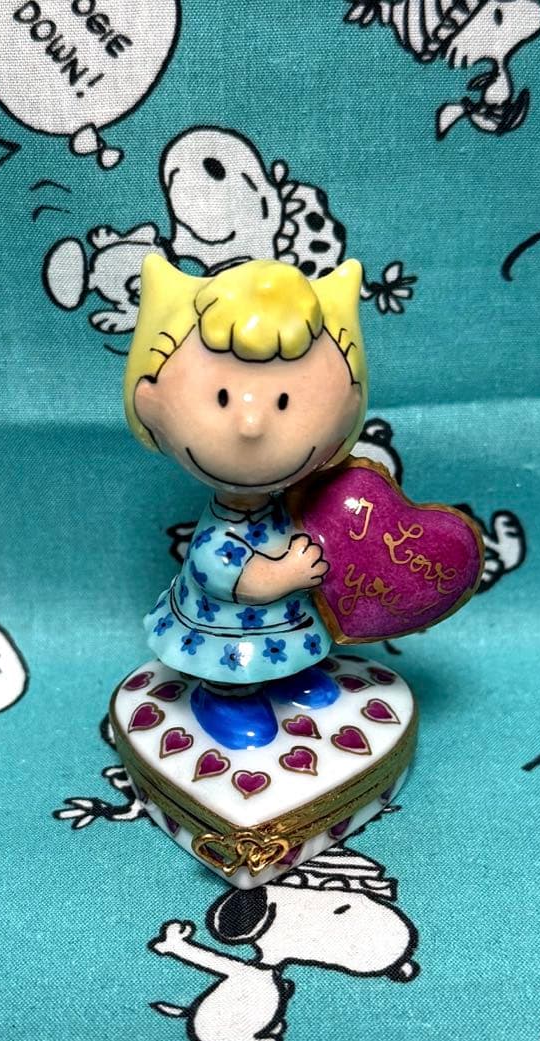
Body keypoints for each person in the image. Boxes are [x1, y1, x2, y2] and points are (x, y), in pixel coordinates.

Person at [124, 256, 367, 748]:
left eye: (283, 402)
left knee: (292, 642)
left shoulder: (291, 500)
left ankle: (286, 674)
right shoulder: (221, 527)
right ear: (149, 400)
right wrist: (283, 574)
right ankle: (223, 697)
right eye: (222, 397)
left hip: (285, 611)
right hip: (227, 623)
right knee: (232, 662)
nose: (251, 425)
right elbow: (218, 569)